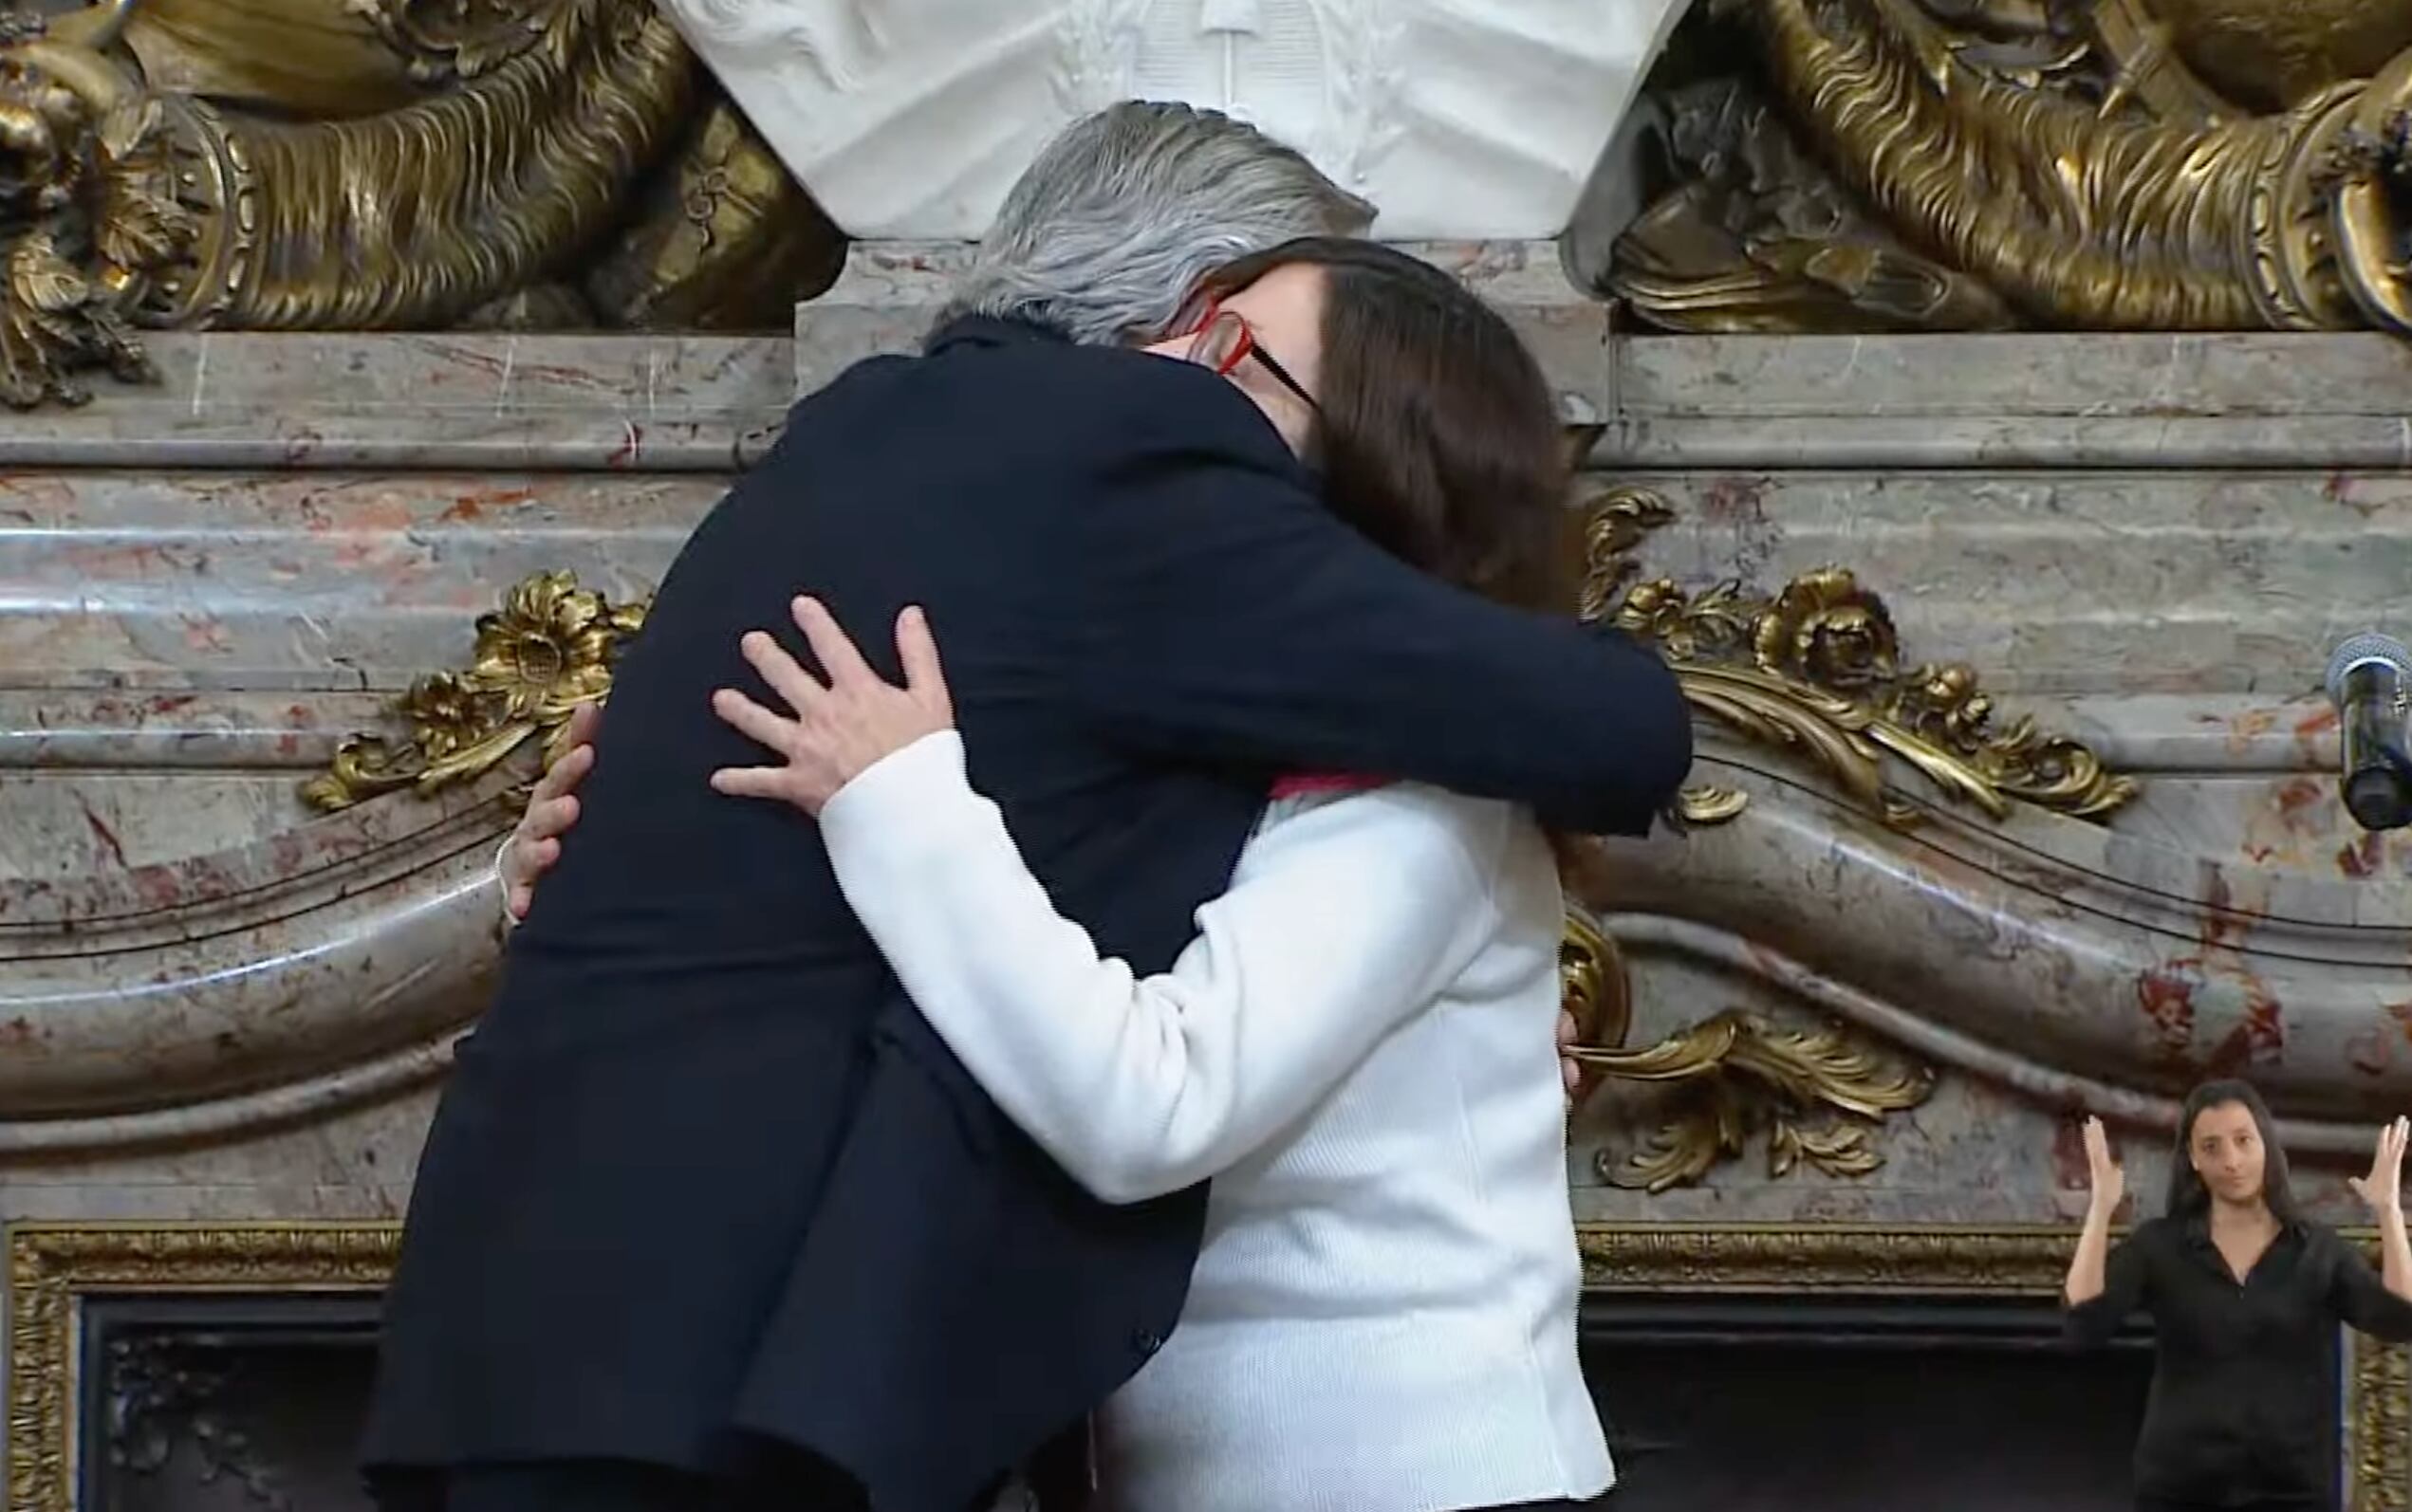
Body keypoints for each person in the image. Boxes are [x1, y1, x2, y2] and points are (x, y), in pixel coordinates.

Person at [362, 104, 1691, 1512]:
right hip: (725, 1362)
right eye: (1224, 331)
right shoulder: (1128, 449)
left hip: (530, 1324)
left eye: (1238, 345)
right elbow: (1620, 724)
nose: (1210, 376)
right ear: (1166, 315)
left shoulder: (858, 437)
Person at [2065, 1082, 2412, 1512]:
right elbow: (2084, 1323)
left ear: (2265, 1145)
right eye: (2211, 1147)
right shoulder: (2159, 1246)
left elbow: (2399, 1319)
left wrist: (2389, 1211)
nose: (2231, 1161)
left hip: (2294, 1491)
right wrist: (2100, 1207)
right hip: (2179, 1490)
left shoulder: (2318, 1251)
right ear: (2193, 1159)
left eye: (2243, 1141)